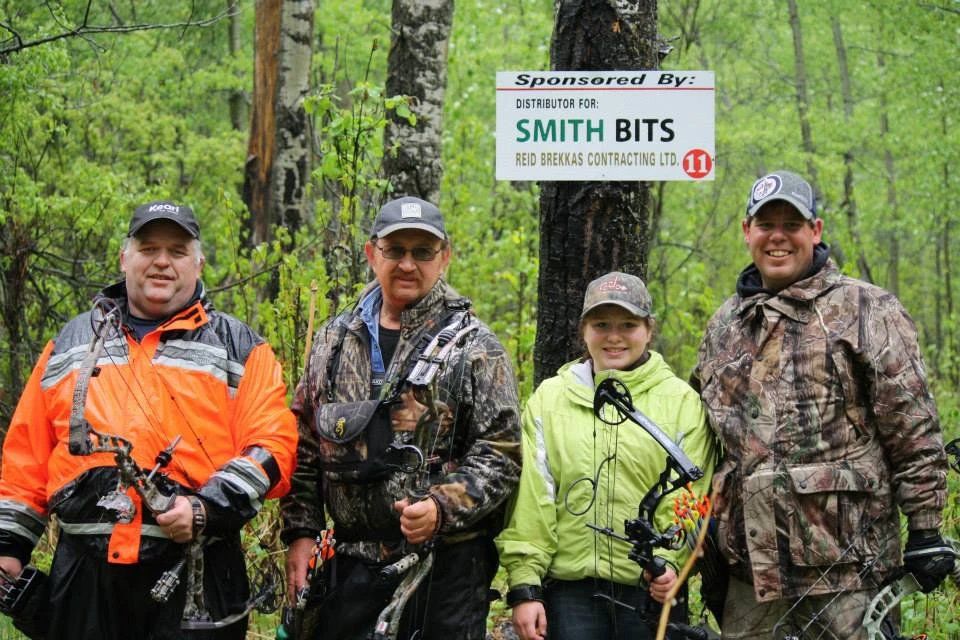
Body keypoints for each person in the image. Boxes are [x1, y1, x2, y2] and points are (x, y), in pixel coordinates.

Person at [0, 200, 298, 640]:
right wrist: (8, 546)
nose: (162, 261)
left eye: (177, 251)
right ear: (125, 258)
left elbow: (273, 447)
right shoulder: (71, 342)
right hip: (83, 576)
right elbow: (27, 456)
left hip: (198, 570)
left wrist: (205, 508)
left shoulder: (239, 347)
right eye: (148, 248)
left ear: (198, 264)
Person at [692, 170, 955, 638]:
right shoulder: (724, 325)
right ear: (747, 231)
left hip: (848, 572)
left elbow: (912, 426)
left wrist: (925, 528)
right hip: (751, 579)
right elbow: (704, 440)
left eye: (791, 225)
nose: (777, 237)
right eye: (765, 224)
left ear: (815, 230)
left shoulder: (865, 308)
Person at [280, 196, 522, 640]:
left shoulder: (475, 346)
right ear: (372, 253)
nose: (408, 264)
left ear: (444, 257)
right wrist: (301, 532)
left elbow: (502, 450)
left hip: (444, 569)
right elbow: (305, 443)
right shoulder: (333, 341)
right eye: (395, 250)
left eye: (422, 252)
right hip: (349, 563)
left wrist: (441, 506)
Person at [496, 271, 717, 640]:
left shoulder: (682, 402)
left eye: (628, 324)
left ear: (649, 329)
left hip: (651, 591)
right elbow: (533, 500)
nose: (614, 337)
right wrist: (525, 586)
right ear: (584, 330)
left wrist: (669, 563)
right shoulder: (549, 399)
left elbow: (691, 496)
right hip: (569, 595)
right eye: (601, 324)